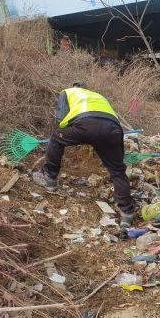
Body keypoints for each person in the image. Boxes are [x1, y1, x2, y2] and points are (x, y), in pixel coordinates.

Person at [31, 83, 135, 228]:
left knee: (56, 137)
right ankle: (127, 213)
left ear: (75, 87)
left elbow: (60, 120)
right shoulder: (98, 96)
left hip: (86, 125)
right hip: (113, 130)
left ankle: (49, 177)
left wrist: (73, 136)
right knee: (117, 170)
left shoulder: (68, 92)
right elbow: (103, 119)